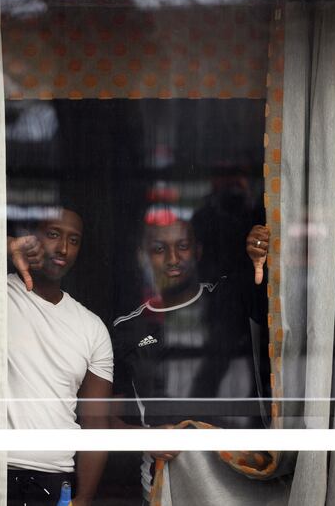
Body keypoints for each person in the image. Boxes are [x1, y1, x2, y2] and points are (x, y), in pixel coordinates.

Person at [110, 207, 271, 503]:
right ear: (142, 256)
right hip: (169, 484)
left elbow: (280, 304)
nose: (172, 259)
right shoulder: (127, 329)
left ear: (197, 251)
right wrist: (142, 438)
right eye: (159, 249)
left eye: (182, 246)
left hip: (244, 483)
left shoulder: (230, 298)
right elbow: (108, 418)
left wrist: (261, 253)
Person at [6, 206, 113, 506]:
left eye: (74, 240)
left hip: (55, 478)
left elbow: (94, 425)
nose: (63, 248)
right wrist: (6, 244)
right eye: (53, 234)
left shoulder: (91, 327)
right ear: (32, 236)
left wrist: (86, 497)